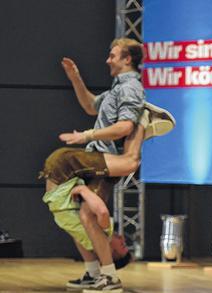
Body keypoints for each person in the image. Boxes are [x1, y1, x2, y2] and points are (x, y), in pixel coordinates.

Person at [40, 38, 147, 292]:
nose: (108, 60)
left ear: (127, 59)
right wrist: (75, 77)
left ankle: (109, 277)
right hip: (96, 156)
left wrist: (86, 136)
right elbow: (90, 106)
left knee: (88, 213)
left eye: (113, 55)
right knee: (81, 213)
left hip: (106, 159)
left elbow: (125, 126)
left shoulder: (130, 87)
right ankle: (93, 272)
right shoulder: (116, 88)